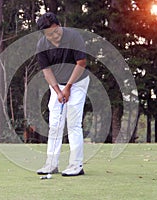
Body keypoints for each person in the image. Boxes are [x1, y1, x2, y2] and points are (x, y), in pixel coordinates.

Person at [36, 12, 89, 176]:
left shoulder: (74, 37)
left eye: (56, 31)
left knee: (73, 123)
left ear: (59, 26)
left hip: (78, 81)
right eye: (50, 34)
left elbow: (81, 63)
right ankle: (51, 164)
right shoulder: (41, 45)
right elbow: (47, 70)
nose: (54, 35)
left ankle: (76, 165)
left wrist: (69, 87)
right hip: (57, 84)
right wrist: (58, 90)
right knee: (55, 124)